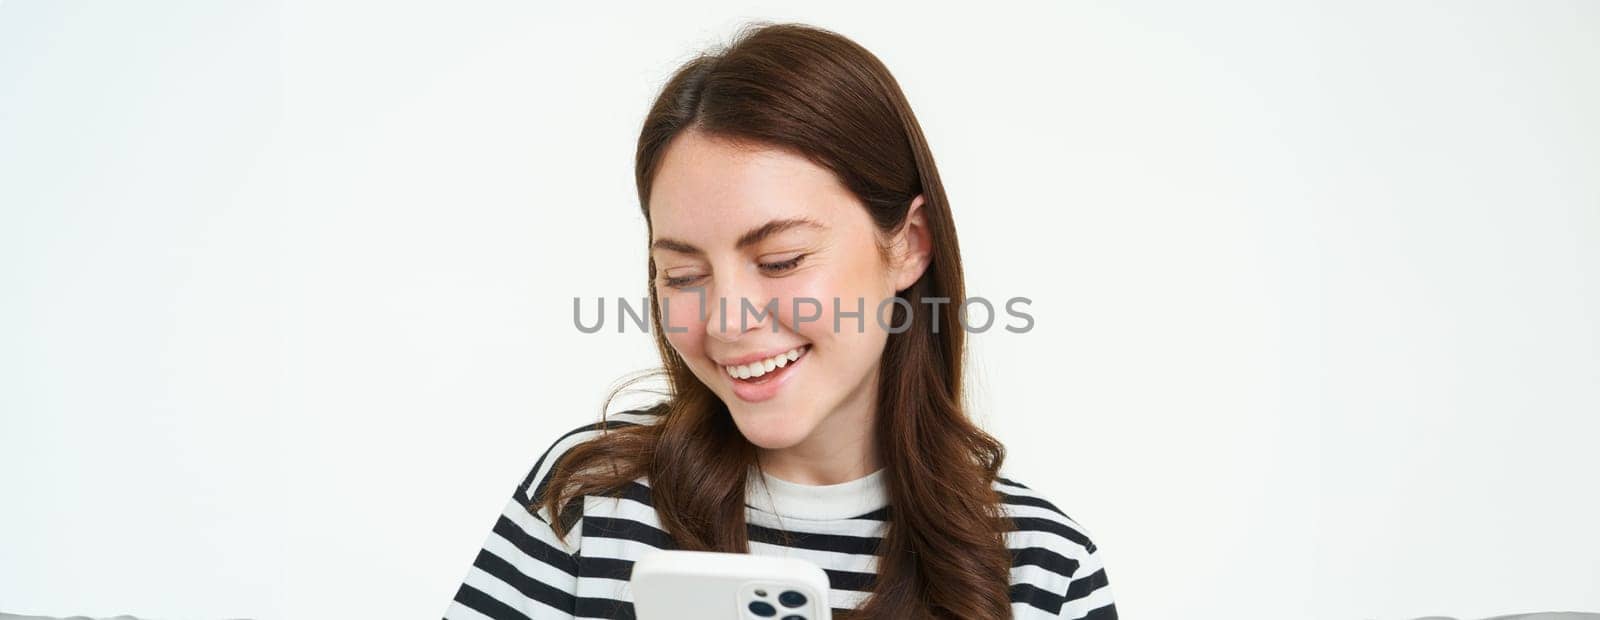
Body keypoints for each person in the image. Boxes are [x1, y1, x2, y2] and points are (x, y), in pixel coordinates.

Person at [445, 22, 1117, 619]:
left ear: (909, 244)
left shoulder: (1040, 572)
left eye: (781, 259)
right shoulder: (590, 503)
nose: (728, 322)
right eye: (683, 275)